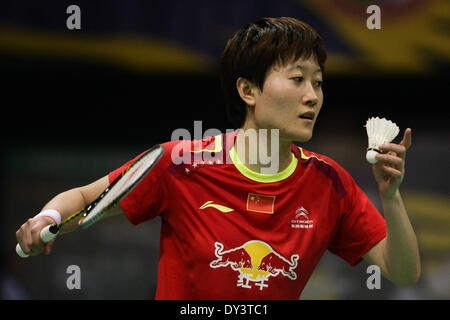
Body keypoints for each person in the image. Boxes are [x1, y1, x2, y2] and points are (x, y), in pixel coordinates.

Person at [15, 17, 420, 299]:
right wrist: (47, 221)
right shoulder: (180, 164)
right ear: (248, 90)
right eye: (297, 80)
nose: (312, 96)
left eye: (318, 82)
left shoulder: (329, 184)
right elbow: (88, 198)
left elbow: (402, 271)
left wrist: (391, 196)